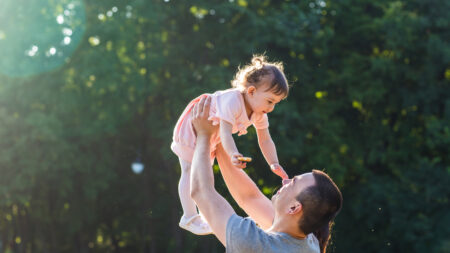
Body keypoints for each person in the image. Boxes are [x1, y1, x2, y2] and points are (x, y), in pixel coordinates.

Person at [190, 96, 343, 252]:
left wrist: (203, 134)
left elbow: (201, 192)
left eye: (293, 183)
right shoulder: (306, 240)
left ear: (294, 207)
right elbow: (249, 197)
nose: (285, 181)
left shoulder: (254, 244)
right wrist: (221, 137)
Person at [171, 55, 290, 235]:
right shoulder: (233, 101)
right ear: (251, 91)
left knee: (203, 173)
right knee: (188, 170)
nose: (272, 108)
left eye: (276, 103)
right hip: (193, 125)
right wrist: (233, 153)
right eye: (270, 101)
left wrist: (273, 162)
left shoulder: (259, 113)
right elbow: (225, 132)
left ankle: (203, 217)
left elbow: (265, 139)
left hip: (210, 134)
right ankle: (188, 216)